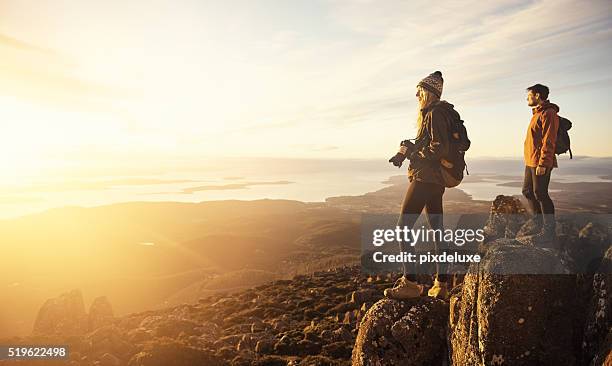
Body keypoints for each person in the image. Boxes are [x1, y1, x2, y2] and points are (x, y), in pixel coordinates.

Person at [384, 71, 459, 300]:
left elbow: (439, 148)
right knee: (438, 231)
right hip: (436, 180)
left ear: (429, 92)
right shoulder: (441, 113)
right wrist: (410, 148)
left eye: (419, 90)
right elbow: (435, 144)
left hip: (426, 178)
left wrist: (414, 152)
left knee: (402, 227)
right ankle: (441, 284)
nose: (416, 94)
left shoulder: (434, 113)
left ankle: (411, 283)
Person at [521, 84, 559, 244]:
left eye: (529, 95)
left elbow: (548, 140)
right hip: (531, 161)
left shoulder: (549, 113)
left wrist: (543, 163)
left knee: (541, 194)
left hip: (540, 162)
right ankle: (537, 222)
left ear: (537, 95)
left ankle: (548, 230)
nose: (527, 98)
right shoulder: (537, 113)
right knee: (527, 191)